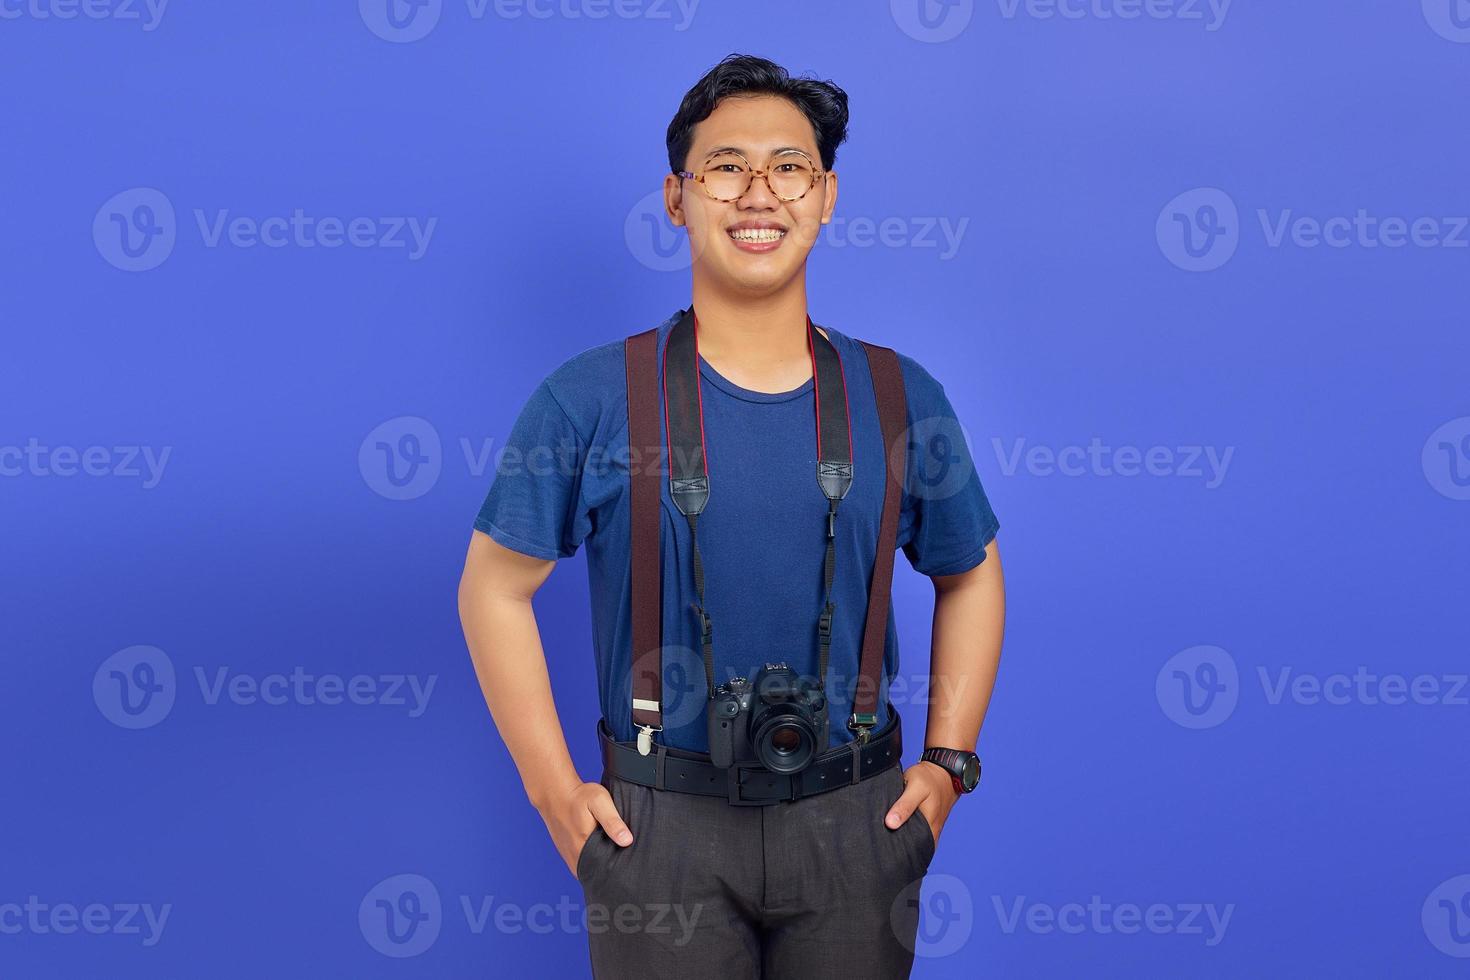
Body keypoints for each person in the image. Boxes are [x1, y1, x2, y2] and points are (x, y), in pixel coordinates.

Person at [458, 53, 1005, 979]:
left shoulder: (899, 396)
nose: (760, 193)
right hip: (658, 823)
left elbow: (971, 570)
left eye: (789, 167)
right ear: (677, 197)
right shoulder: (591, 398)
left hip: (857, 819)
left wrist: (949, 762)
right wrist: (555, 794)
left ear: (826, 195)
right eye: (725, 166)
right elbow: (493, 588)